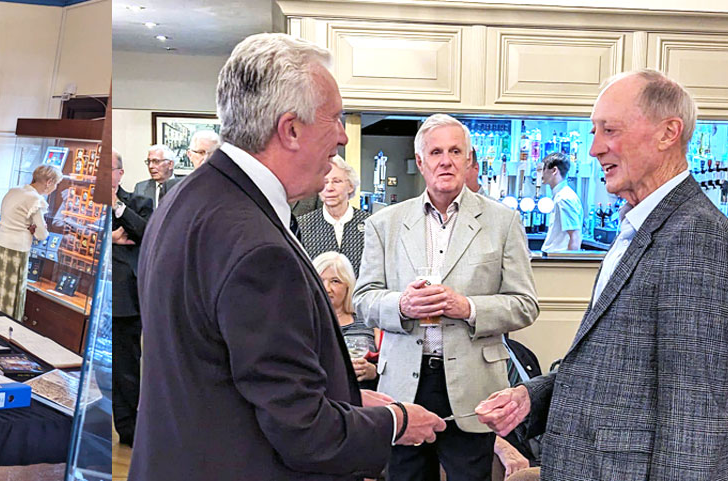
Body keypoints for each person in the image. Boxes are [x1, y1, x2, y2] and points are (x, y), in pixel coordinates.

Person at [130, 33, 444, 481]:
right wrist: (394, 422)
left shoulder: (188, 199)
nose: (340, 138)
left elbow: (231, 376)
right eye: (334, 119)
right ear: (290, 129)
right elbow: (305, 433)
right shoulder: (258, 250)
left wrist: (349, 401)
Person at [477, 69, 728, 481]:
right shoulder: (638, 225)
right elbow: (610, 364)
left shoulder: (696, 233)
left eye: (610, 130)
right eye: (593, 132)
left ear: (668, 133)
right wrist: (532, 396)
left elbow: (695, 410)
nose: (594, 149)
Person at [353, 113, 538, 481]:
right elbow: (364, 299)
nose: (446, 160)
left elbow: (524, 304)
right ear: (421, 162)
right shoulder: (384, 224)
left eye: (456, 151)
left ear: (469, 160)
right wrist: (401, 306)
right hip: (404, 381)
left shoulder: (503, 222)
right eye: (436, 152)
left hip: (473, 384)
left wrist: (468, 307)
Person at [111, 149, 153, 447]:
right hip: (90, 293)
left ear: (120, 173)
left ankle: (130, 431)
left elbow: (146, 233)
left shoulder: (139, 202)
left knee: (126, 369)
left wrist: (117, 207)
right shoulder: (86, 202)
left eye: (109, 169)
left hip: (125, 299)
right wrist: (110, 239)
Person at [0, 165, 61, 318]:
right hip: (16, 248)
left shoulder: (15, 191)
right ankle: (5, 326)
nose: (55, 187)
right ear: (49, 182)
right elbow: (41, 234)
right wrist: (37, 229)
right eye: (56, 183)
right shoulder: (35, 200)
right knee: (10, 292)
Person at [298, 155, 371, 274]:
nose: (329, 188)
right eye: (324, 182)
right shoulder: (302, 226)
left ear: (350, 186)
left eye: (336, 181)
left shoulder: (370, 224)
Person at [312, 251, 376, 387]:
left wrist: (372, 371)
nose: (326, 288)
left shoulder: (368, 320)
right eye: (320, 280)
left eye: (335, 281)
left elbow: (388, 366)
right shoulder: (303, 323)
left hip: (365, 399)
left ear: (348, 285)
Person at [538, 152, 582, 252]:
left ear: (554, 170)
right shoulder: (560, 196)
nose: (541, 174)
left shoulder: (564, 198)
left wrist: (569, 264)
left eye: (544, 169)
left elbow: (574, 236)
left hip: (558, 259)